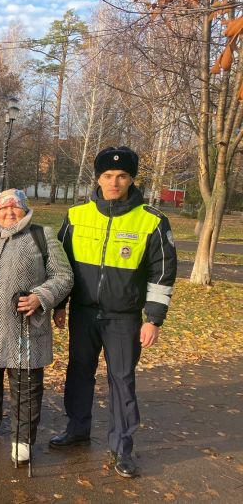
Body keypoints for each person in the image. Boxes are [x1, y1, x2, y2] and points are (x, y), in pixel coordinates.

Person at [49, 146, 177, 478]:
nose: (114, 182)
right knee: (79, 372)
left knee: (122, 380)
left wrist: (154, 319)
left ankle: (122, 446)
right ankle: (77, 429)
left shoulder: (152, 220)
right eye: (107, 176)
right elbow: (62, 264)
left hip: (124, 318)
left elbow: (162, 273)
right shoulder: (77, 215)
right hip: (83, 313)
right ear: (99, 178)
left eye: (121, 176)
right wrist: (60, 306)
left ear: (131, 179)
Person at [0, 189, 73, 464]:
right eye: (3, 209)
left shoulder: (41, 235)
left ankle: (23, 438)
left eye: (16, 208)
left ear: (25, 209)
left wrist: (40, 297)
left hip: (24, 328)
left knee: (26, 386)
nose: (9, 213)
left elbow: (64, 275)